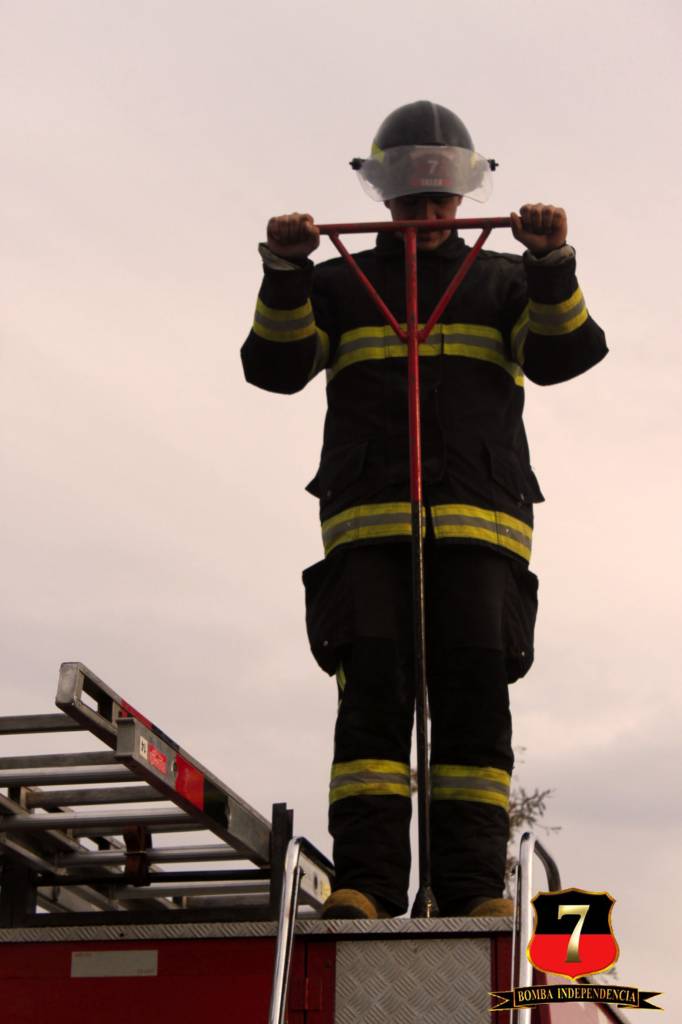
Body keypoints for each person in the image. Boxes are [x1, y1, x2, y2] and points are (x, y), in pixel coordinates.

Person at [241, 100, 607, 920]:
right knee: (372, 702)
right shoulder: (337, 282)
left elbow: (563, 355)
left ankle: (472, 890)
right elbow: (275, 367)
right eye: (412, 185)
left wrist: (551, 263)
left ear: (464, 190)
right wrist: (286, 270)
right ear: (386, 191)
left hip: (483, 524)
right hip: (367, 526)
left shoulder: (505, 278)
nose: (428, 202)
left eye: (441, 186)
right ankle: (367, 886)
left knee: (474, 701)